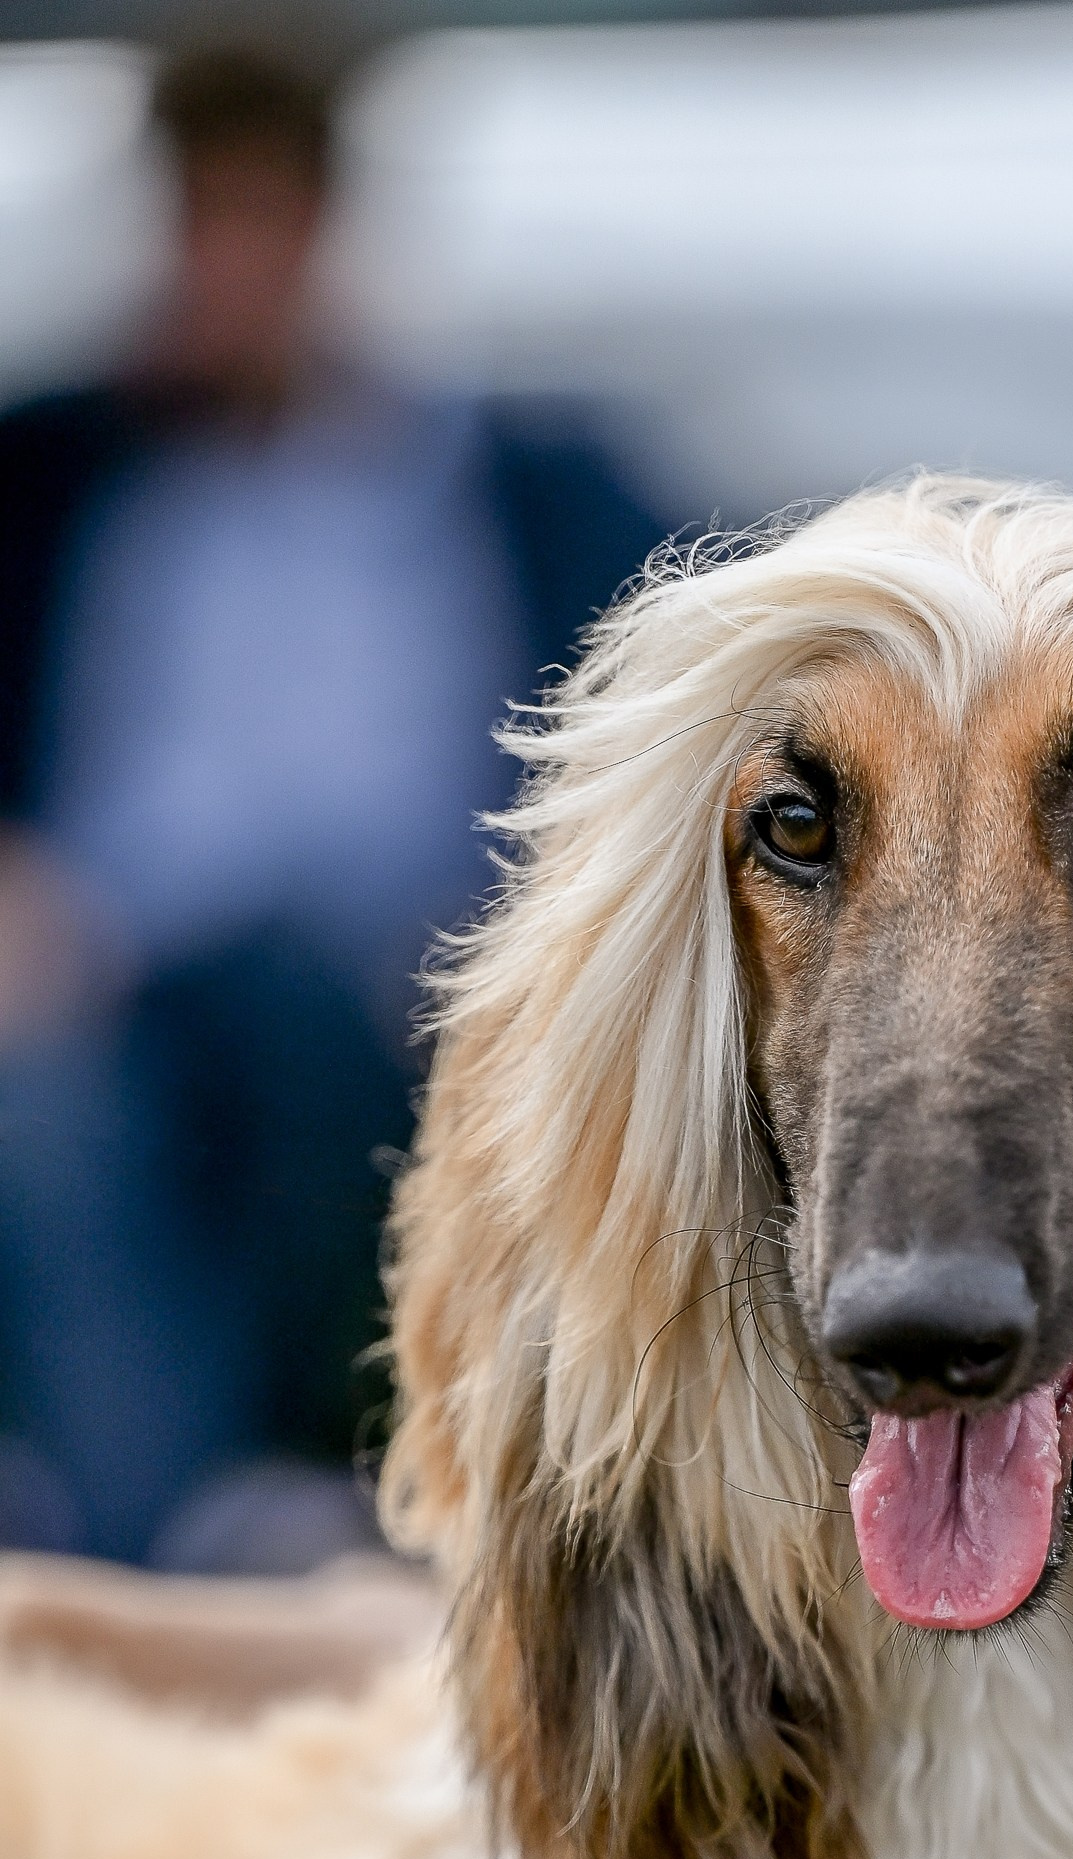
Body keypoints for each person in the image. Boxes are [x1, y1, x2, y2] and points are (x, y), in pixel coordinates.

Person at [0, 46, 677, 1565]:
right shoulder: (56, 473)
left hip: (395, 959)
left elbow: (657, 735)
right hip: (105, 961)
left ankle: (306, 1495)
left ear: (324, 234)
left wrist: (531, 933)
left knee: (340, 1045)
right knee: (45, 1102)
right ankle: (160, 1527)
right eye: (197, 225)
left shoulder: (515, 484)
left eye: (256, 224)